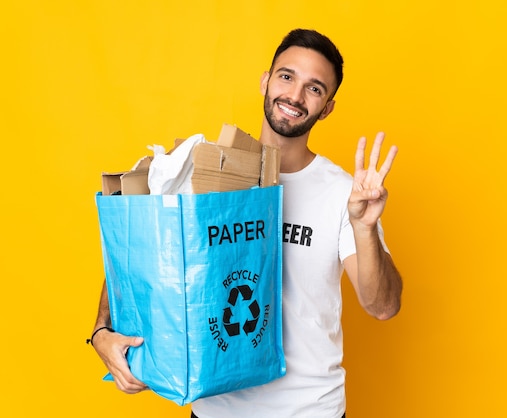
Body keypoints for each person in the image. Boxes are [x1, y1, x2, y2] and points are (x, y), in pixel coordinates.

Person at [89, 28, 403, 418]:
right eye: (286, 76)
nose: (295, 96)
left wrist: (364, 225)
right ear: (265, 81)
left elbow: (382, 305)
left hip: (308, 410)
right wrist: (102, 331)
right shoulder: (204, 173)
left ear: (327, 108)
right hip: (215, 409)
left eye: (315, 88)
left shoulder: (343, 193)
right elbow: (140, 252)